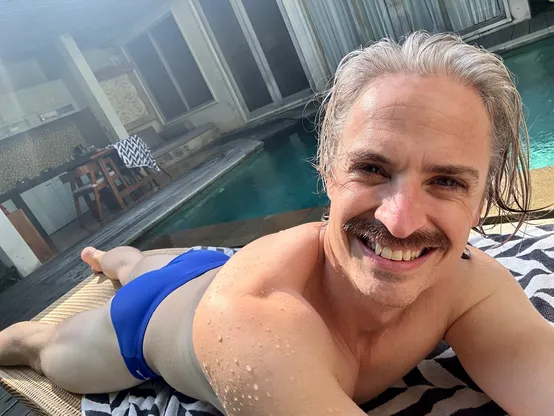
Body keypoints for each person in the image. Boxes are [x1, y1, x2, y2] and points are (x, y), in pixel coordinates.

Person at [0, 32, 553, 416]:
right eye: (371, 169)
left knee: (145, 260)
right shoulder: (255, 324)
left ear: (480, 200)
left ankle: (114, 259)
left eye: (449, 182)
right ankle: (110, 272)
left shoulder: (470, 284)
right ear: (328, 173)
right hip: (155, 319)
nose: (401, 221)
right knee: (44, 348)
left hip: (221, 266)